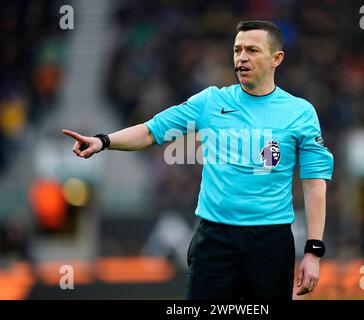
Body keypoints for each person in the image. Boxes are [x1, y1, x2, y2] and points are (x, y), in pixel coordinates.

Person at [63, 20, 333, 300]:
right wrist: (103, 141)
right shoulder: (211, 102)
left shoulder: (300, 113)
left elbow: (315, 184)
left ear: (277, 58)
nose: (241, 57)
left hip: (271, 241)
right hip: (215, 239)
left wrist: (313, 252)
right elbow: (151, 131)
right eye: (237, 49)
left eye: (252, 50)